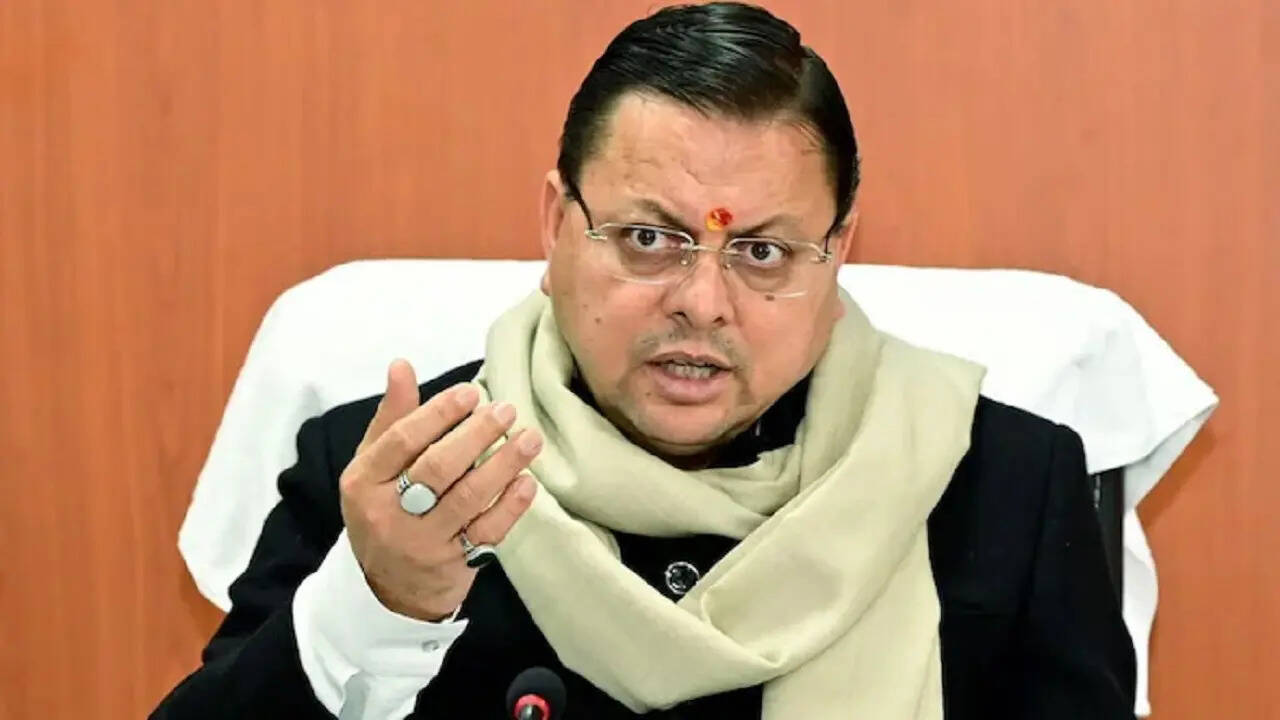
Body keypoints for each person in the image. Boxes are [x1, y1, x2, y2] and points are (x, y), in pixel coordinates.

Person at [153, 3, 1136, 718]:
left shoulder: (998, 489)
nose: (701, 303)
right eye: (649, 239)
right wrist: (373, 606)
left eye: (762, 252)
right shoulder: (406, 477)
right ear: (555, 225)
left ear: (837, 251)